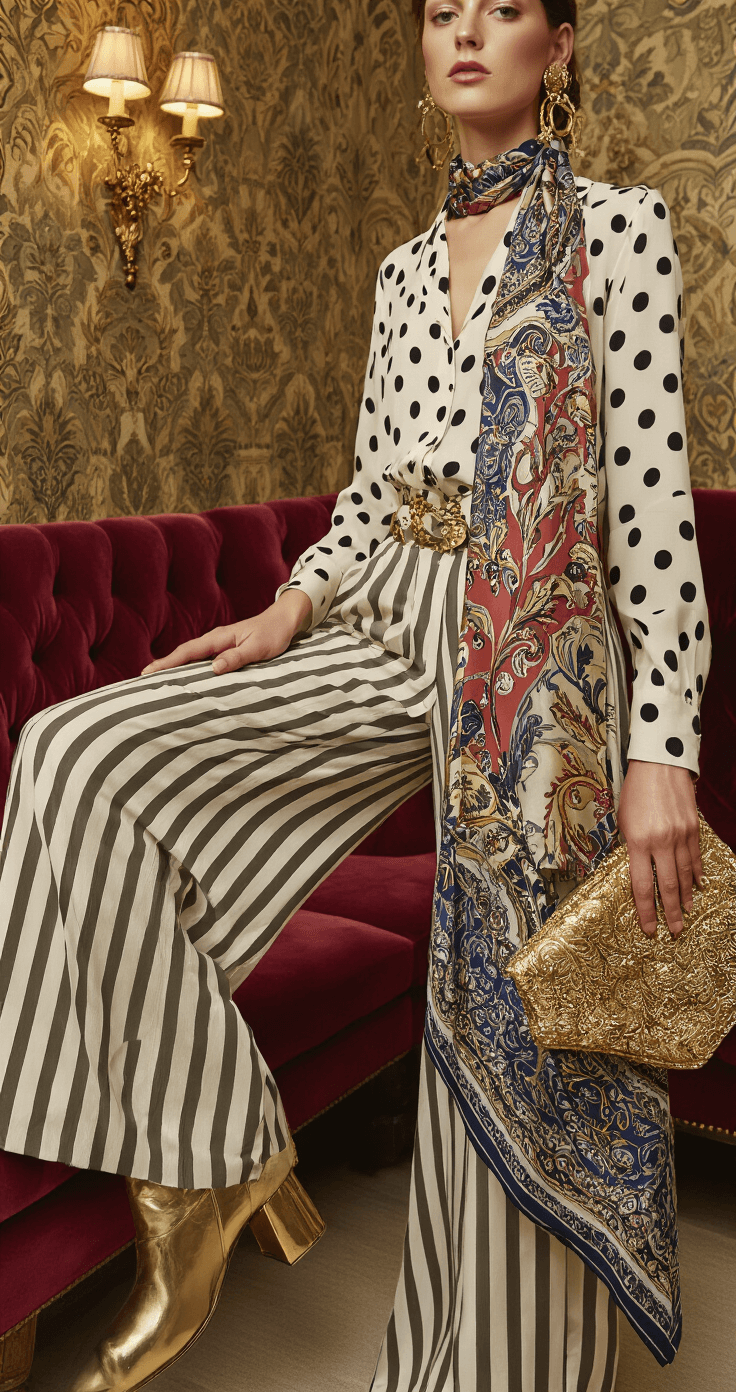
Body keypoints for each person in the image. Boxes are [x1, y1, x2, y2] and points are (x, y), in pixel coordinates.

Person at [0, 0, 709, 1389]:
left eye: (503, 12)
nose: (465, 36)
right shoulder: (397, 275)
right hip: (384, 619)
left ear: (556, 48)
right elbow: (374, 495)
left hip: (537, 655)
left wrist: (659, 747)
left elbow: (655, 510)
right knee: (75, 750)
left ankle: (491, 1366)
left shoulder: (618, 233)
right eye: (443, 11)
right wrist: (290, 603)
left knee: (515, 1012)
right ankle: (210, 1160)